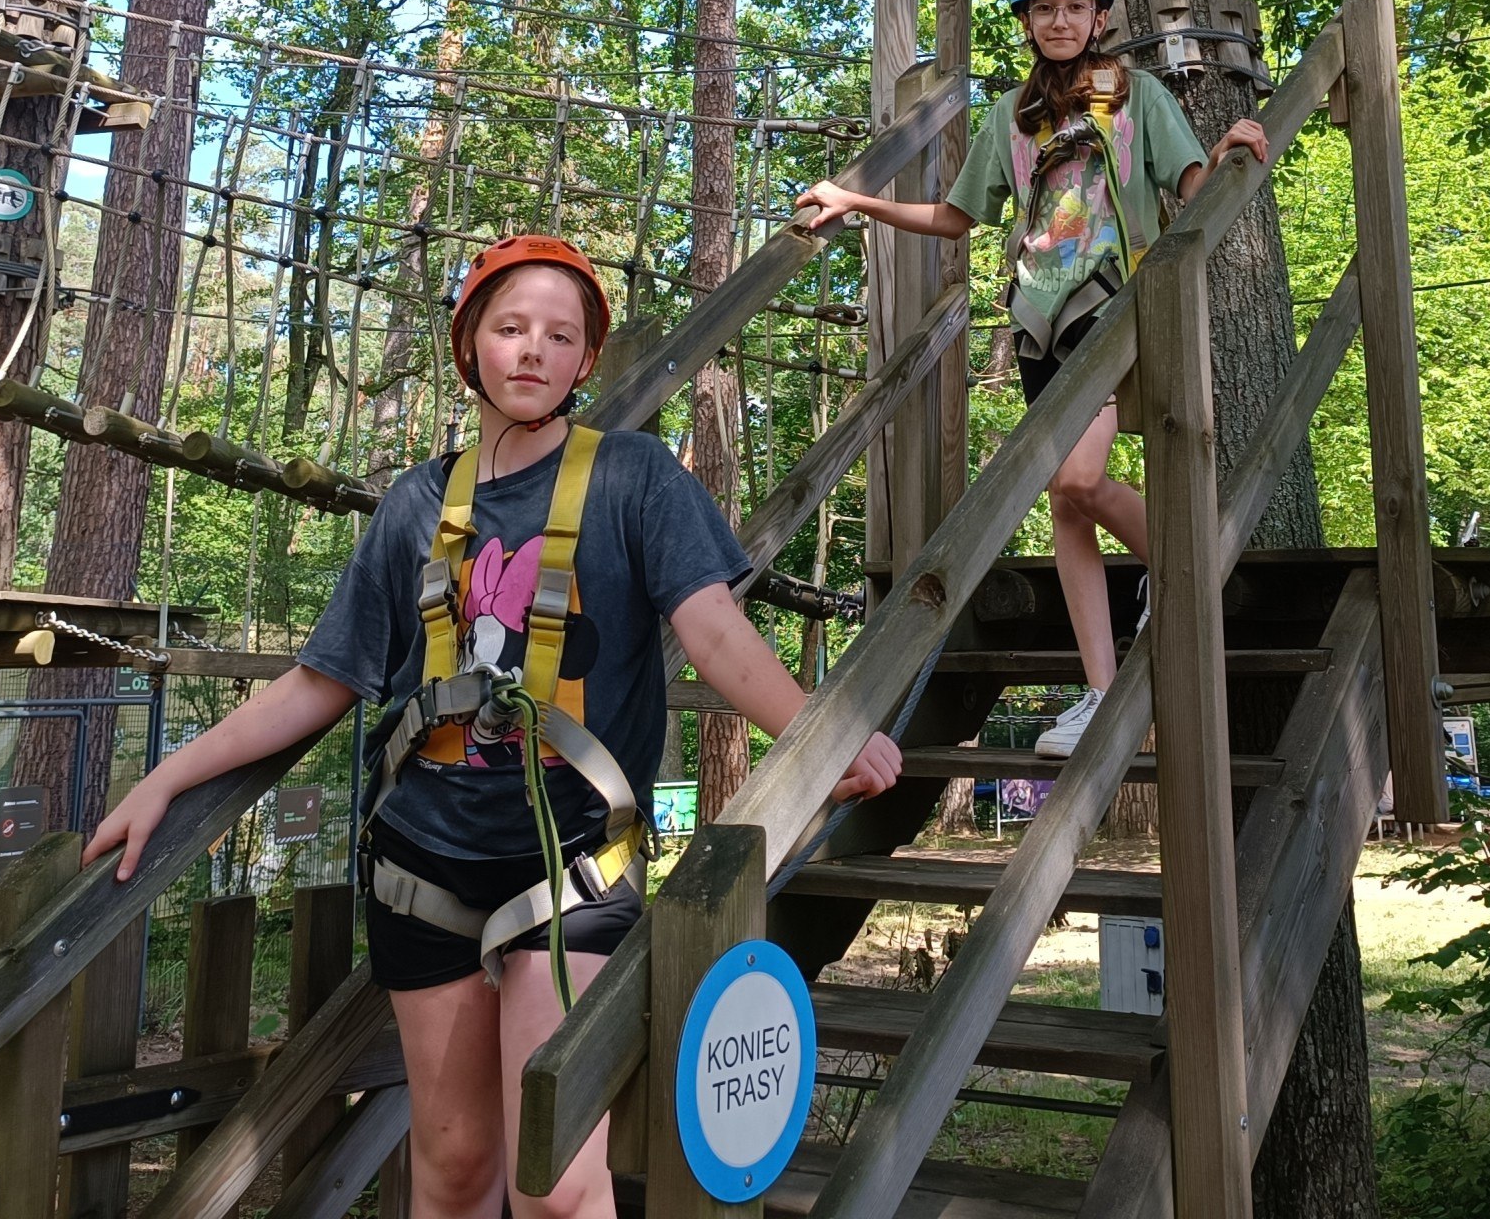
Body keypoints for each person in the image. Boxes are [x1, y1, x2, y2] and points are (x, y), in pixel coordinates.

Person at [86, 235, 901, 1219]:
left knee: (554, 1183)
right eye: (511, 327)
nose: (533, 350)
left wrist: (819, 734)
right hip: (423, 860)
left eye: (560, 335)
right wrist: (167, 777)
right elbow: (320, 681)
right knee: (456, 1168)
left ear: (585, 359)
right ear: (469, 342)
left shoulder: (635, 478)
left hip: (575, 860)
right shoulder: (415, 506)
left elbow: (714, 629)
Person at [794, 0, 1268, 759]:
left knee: (1078, 478)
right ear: (1025, 22)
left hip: (1115, 307)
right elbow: (956, 218)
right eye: (1043, 9)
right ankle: (1100, 693)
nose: (1059, 21)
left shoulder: (1140, 96)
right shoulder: (1012, 117)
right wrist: (858, 202)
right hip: (1039, 321)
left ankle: (1185, 563)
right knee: (1065, 504)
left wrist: (1222, 154)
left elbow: (1187, 183)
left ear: (1101, 17)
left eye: (1075, 7)